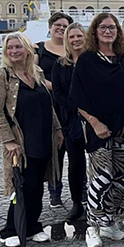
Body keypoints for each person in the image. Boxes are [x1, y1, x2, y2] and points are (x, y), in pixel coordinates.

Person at [70, 13, 124, 247]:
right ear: (95, 31)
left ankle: (109, 223)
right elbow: (77, 97)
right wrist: (94, 122)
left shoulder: (122, 57)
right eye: (103, 27)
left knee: (120, 178)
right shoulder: (87, 60)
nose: (108, 31)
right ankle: (92, 227)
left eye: (112, 27)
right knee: (100, 178)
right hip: (98, 128)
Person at [0, 33, 63, 247]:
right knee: (22, 186)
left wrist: (57, 129)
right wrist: (8, 140)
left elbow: (48, 104)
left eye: (18, 47)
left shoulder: (36, 72)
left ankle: (32, 226)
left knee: (37, 185)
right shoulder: (2, 75)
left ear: (27, 49)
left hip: (43, 137)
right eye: (10, 48)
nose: (14, 51)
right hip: (21, 141)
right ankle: (11, 229)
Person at [35, 12, 72, 209]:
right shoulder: (39, 49)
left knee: (75, 150)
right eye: (57, 25)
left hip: (69, 104)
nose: (61, 28)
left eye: (65, 26)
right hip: (49, 105)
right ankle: (55, 192)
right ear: (50, 27)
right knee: (54, 151)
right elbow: (33, 73)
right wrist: (53, 86)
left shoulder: (73, 48)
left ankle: (80, 191)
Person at [52, 23, 88, 222]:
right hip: (70, 120)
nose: (76, 40)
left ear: (85, 37)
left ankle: (99, 201)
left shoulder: (93, 60)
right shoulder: (60, 64)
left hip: (94, 118)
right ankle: (77, 202)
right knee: (75, 164)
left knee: (100, 162)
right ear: (67, 40)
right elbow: (57, 92)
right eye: (72, 37)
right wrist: (74, 106)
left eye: (79, 36)